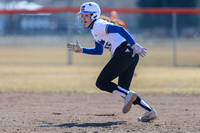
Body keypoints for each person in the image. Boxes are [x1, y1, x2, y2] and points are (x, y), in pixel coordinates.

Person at [67, 2, 157, 122]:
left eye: (86, 15)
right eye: (82, 16)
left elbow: (120, 29)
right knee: (124, 91)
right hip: (130, 54)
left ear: (94, 15)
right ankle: (149, 111)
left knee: (101, 82)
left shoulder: (98, 24)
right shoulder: (95, 29)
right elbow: (98, 51)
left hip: (124, 51)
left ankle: (130, 96)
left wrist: (135, 44)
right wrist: (81, 50)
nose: (83, 18)